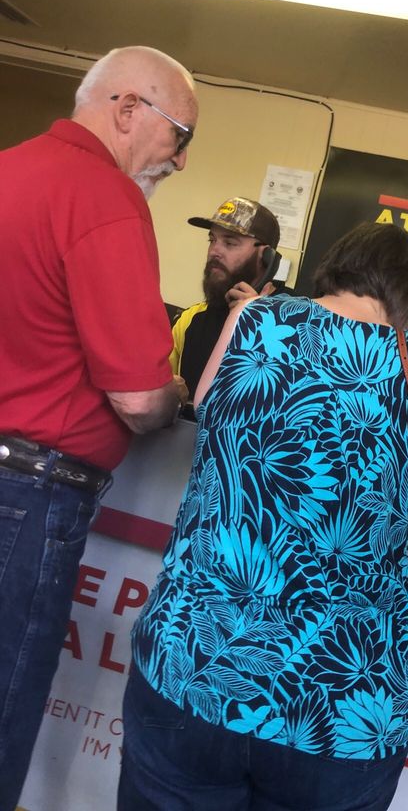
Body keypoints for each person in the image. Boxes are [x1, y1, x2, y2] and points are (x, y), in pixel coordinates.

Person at [118, 222, 408, 811]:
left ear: (335, 269)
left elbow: (207, 406)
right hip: (341, 708)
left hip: (194, 664)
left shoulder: (253, 318)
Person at [0, 45, 198, 810]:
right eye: (181, 135)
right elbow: (140, 398)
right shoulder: (105, 197)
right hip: (30, 496)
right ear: (128, 110)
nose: (180, 160)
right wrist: (173, 392)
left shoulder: (11, 169)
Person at [170, 196, 282, 403]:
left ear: (267, 257)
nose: (215, 251)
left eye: (230, 243)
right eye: (212, 240)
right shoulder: (192, 319)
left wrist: (259, 322)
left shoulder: (294, 320)